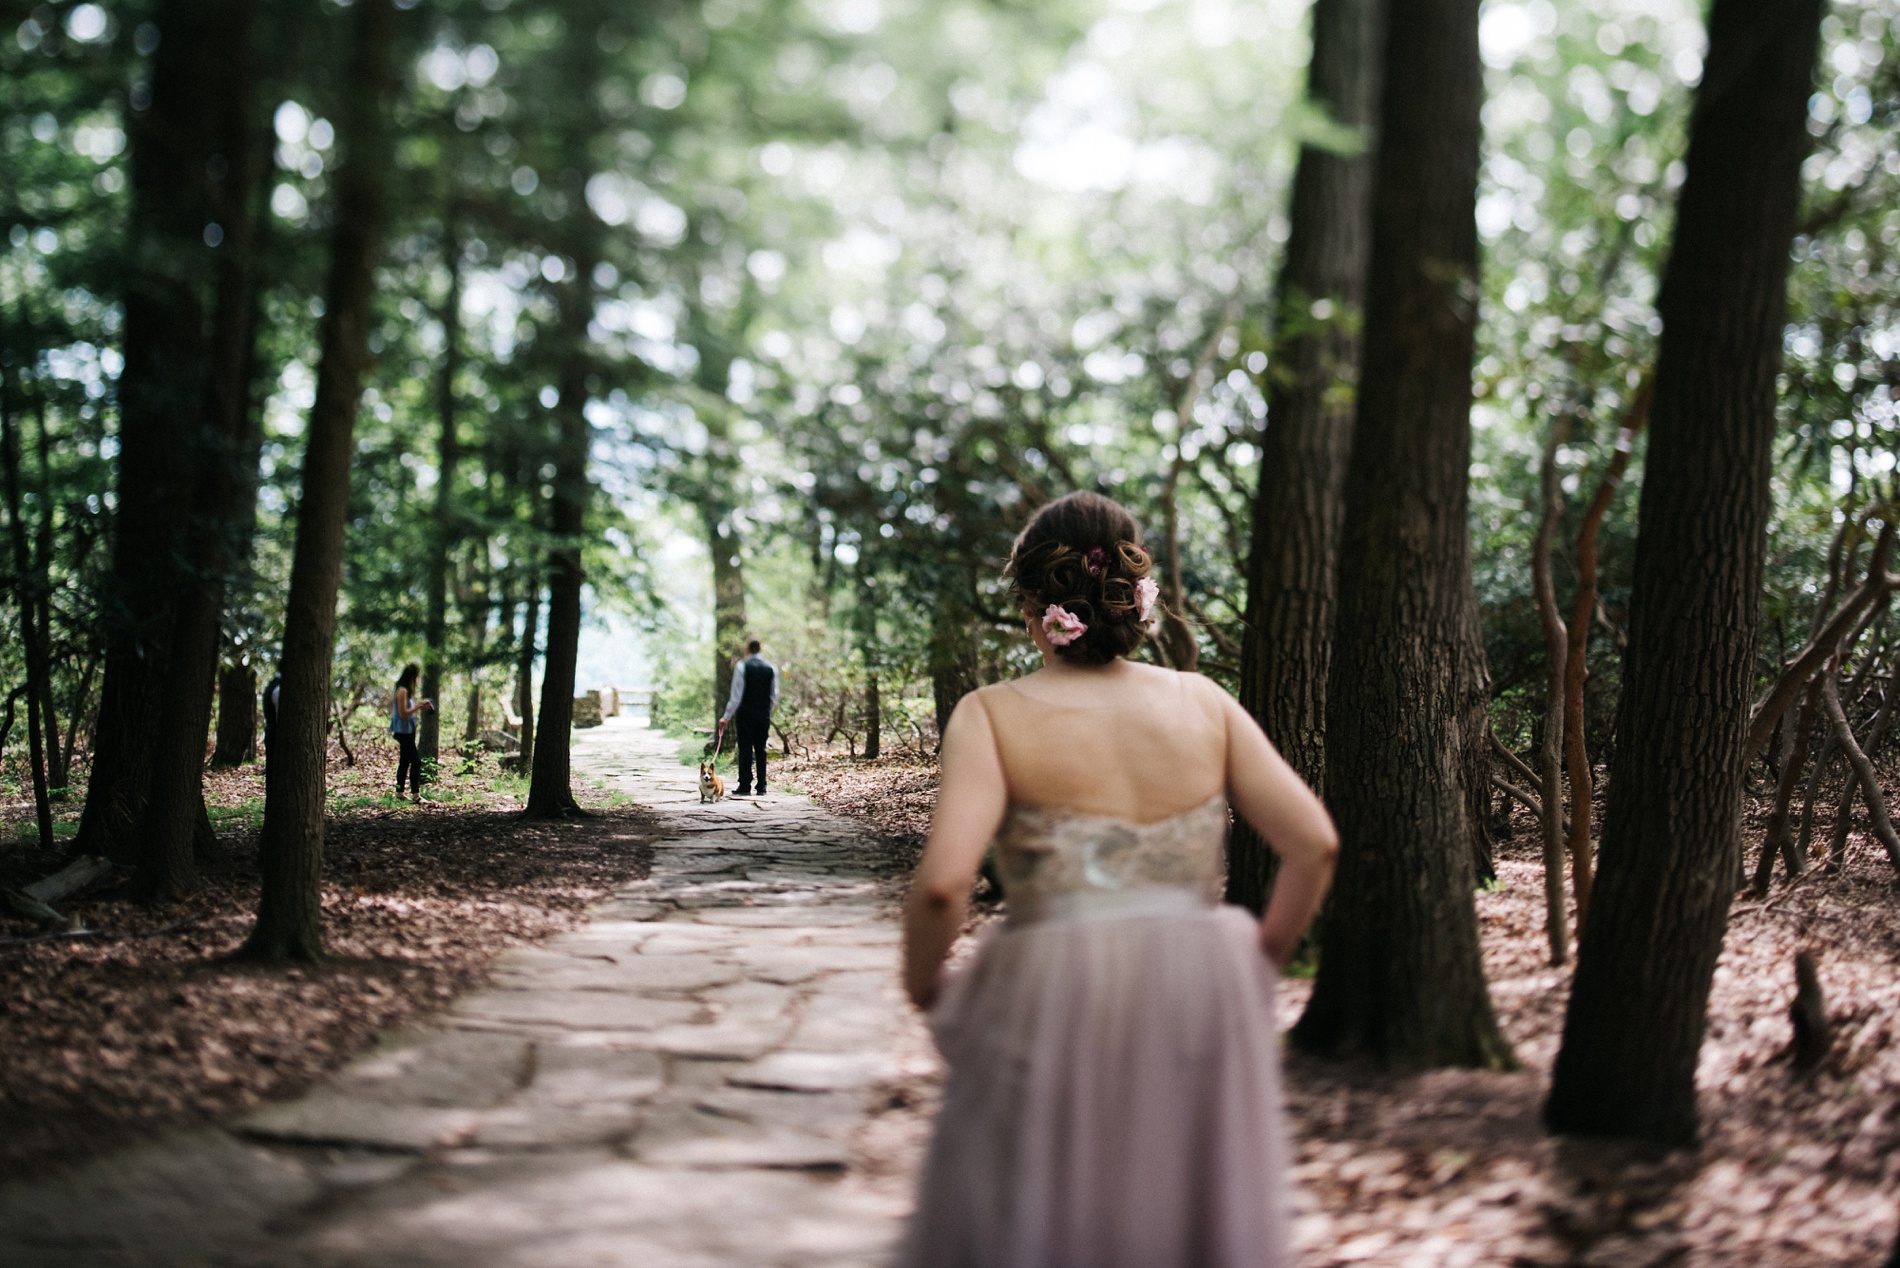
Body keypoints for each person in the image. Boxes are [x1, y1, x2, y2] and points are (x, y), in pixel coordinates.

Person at [899, 491, 1338, 1268]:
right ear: (1137, 597)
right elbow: (1314, 845)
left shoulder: (991, 714)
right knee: (1174, 1207)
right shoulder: (1204, 702)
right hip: (1196, 984)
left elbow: (941, 887)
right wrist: (1257, 958)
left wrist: (928, 987)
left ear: (1035, 604)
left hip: (1051, 984)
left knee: (1040, 1206)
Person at [720, 637, 779, 797]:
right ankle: (762, 785)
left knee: (745, 748)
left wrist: (726, 716)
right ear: (760, 649)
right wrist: (767, 710)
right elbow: (774, 694)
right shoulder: (771, 668)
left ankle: (745, 784)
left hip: (745, 713)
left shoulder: (742, 666)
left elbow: (736, 695)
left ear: (747, 649)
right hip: (763, 714)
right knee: (761, 748)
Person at [389, 663, 434, 802]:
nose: (417, 680)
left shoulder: (407, 691)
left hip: (408, 730)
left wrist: (420, 704)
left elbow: (408, 710)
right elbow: (403, 713)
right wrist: (419, 706)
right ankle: (416, 795)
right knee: (416, 761)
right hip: (402, 731)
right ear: (411, 676)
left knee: (405, 761)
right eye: (416, 677)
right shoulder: (402, 691)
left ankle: (400, 793)